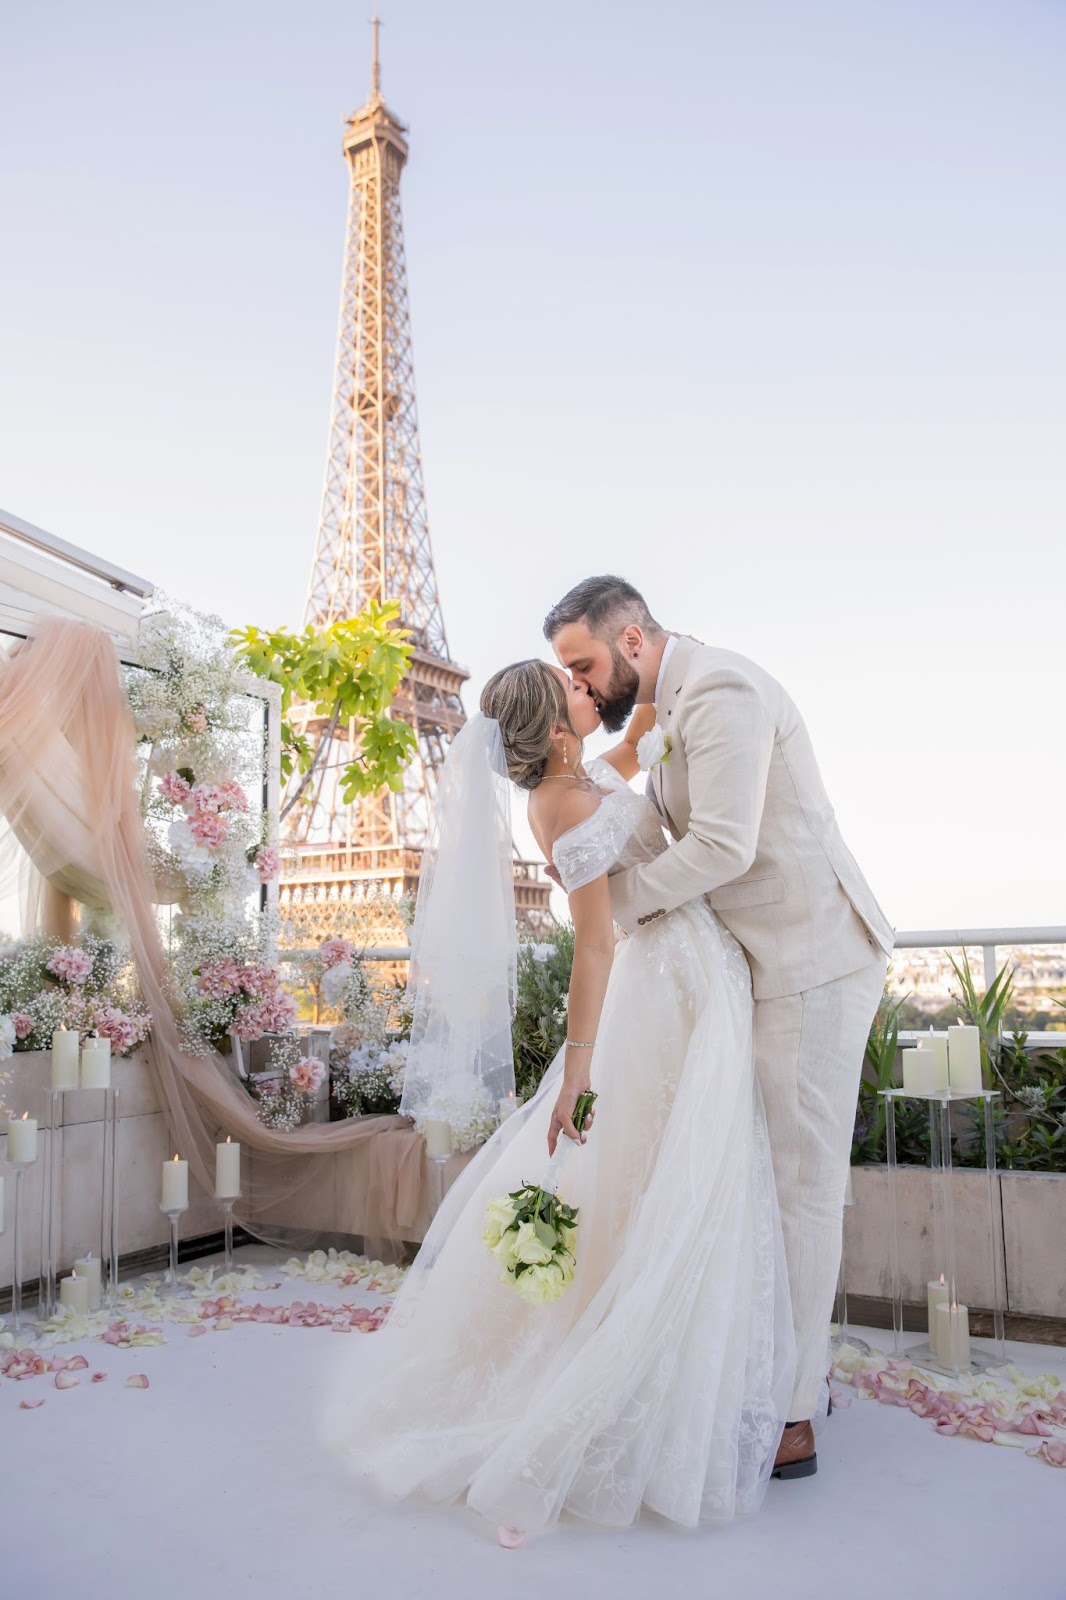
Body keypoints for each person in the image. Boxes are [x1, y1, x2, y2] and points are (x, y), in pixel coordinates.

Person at [329, 659, 795, 1542]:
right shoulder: (566, 806)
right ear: (552, 731)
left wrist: (655, 704)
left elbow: (624, 761)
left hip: (682, 972)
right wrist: (577, 1068)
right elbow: (593, 947)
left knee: (664, 1174)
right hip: (662, 984)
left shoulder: (574, 783)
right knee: (673, 1174)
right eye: (575, 687)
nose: (590, 689)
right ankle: (620, 1387)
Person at [545, 575, 893, 1477]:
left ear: (629, 642)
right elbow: (657, 819)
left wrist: (612, 909)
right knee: (754, 1176)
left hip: (813, 959)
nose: (578, 683)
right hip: (747, 967)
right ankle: (776, 1372)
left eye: (581, 663)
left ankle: (792, 1411)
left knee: (799, 1185)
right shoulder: (670, 707)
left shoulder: (726, 689)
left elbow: (725, 845)